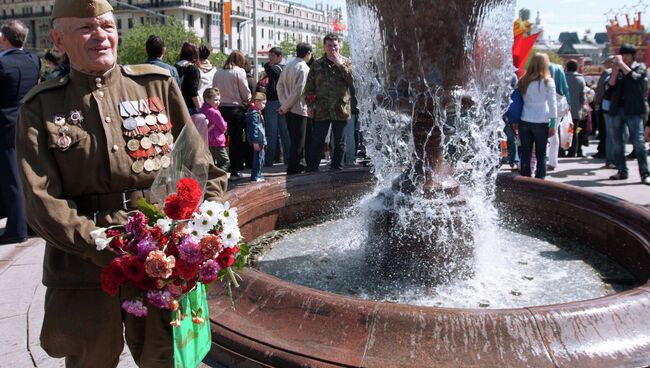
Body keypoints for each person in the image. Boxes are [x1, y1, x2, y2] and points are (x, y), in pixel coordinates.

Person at [15, 1, 227, 366]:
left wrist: (195, 233)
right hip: (84, 266)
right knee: (90, 357)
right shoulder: (41, 107)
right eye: (85, 28)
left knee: (167, 357)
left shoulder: (156, 86)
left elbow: (201, 168)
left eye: (107, 26)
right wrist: (100, 245)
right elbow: (41, 201)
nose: (100, 36)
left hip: (161, 257)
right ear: (58, 39)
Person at [0, 19, 40, 245]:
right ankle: (29, 223)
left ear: (4, 39)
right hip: (26, 123)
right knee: (24, 176)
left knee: (11, 178)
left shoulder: (2, 64)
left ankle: (16, 228)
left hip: (4, 126)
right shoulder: (33, 60)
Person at [303, 33, 354, 172]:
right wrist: (309, 105)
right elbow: (309, 87)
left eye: (335, 45)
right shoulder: (317, 64)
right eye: (329, 45)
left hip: (340, 107)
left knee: (340, 142)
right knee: (317, 140)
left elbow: (352, 81)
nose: (332, 48)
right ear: (324, 47)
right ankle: (313, 168)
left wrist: (340, 64)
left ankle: (337, 167)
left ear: (340, 46)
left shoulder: (347, 62)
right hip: (322, 108)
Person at [607, 44, 650, 185]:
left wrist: (622, 65)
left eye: (626, 54)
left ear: (632, 55)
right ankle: (622, 171)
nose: (623, 57)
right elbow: (610, 87)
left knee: (638, 142)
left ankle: (645, 174)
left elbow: (635, 78)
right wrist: (614, 70)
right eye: (622, 54)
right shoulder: (618, 69)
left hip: (634, 110)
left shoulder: (641, 67)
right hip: (616, 110)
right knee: (618, 143)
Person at [516, 53, 557, 179]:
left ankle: (525, 182)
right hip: (541, 121)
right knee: (541, 154)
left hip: (524, 120)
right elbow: (552, 104)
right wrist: (553, 124)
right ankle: (540, 183)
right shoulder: (547, 81)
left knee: (526, 154)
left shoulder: (523, 80)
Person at [213, 50, 252, 178]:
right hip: (235, 110)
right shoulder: (239, 72)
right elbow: (245, 92)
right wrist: (249, 98)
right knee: (236, 141)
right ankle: (234, 169)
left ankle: (220, 167)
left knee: (220, 140)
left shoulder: (218, 72)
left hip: (220, 110)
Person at [277, 42, 312, 174]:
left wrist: (283, 104)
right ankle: (295, 167)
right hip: (299, 108)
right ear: (308, 53)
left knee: (294, 139)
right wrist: (286, 105)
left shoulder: (288, 65)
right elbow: (298, 91)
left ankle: (295, 166)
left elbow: (279, 86)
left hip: (288, 108)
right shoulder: (304, 68)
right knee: (299, 141)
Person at [263, 47, 290, 167]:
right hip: (283, 102)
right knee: (284, 132)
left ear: (280, 57)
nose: (270, 59)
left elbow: (270, 70)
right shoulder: (286, 68)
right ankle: (288, 159)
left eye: (272, 56)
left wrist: (268, 65)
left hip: (274, 102)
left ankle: (269, 161)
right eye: (269, 56)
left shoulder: (273, 68)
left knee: (272, 132)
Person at [201, 88, 230, 172]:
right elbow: (223, 127)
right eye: (215, 100)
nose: (218, 102)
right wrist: (226, 124)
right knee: (226, 162)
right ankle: (220, 178)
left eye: (219, 100)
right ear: (207, 99)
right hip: (216, 141)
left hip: (207, 140)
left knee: (212, 163)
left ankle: (212, 178)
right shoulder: (214, 112)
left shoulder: (203, 109)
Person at [594, 56, 615, 167]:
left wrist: (597, 102)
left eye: (606, 62)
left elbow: (600, 89)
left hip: (606, 104)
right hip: (618, 106)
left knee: (604, 129)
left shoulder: (606, 73)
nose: (605, 65)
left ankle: (603, 151)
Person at [565, 59, 586, 157]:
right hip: (576, 110)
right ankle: (572, 152)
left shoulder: (563, 77)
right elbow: (583, 96)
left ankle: (561, 151)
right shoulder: (580, 78)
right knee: (574, 132)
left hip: (564, 110)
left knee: (563, 131)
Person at [246, 92, 267, 182]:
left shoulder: (255, 112)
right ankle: (255, 176)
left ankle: (258, 174)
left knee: (260, 158)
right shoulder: (254, 114)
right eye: (263, 103)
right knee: (259, 158)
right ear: (257, 101)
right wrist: (255, 141)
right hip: (258, 140)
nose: (264, 106)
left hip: (260, 139)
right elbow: (254, 128)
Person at [177, 42, 201, 114]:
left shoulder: (175, 67)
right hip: (189, 108)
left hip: (177, 105)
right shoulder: (192, 69)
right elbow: (193, 91)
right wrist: (200, 109)